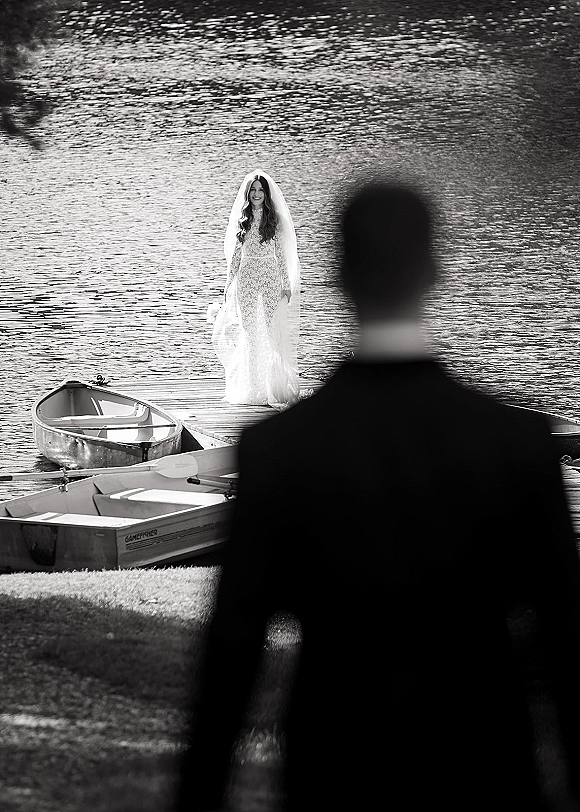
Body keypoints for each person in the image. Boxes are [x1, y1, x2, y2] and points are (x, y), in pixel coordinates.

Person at [177, 179, 580, 811]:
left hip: (337, 772)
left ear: (338, 277)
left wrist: (197, 796)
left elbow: (232, 655)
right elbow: (566, 645)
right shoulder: (520, 444)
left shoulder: (279, 452)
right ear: (433, 270)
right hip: (484, 774)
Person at [212, 169, 301, 407]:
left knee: (272, 332)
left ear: (266, 193)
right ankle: (253, 387)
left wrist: (286, 283)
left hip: (270, 276)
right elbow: (236, 256)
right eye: (253, 190)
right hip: (247, 278)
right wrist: (228, 284)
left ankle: (275, 387)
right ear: (248, 193)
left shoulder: (274, 220)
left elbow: (281, 254)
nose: (257, 194)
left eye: (261, 190)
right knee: (250, 332)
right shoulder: (242, 220)